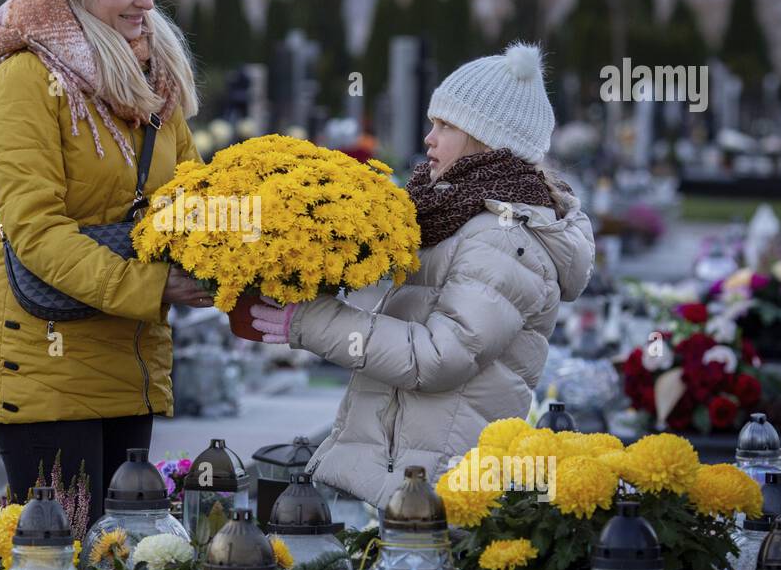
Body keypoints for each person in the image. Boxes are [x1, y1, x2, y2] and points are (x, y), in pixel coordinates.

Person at [250, 43, 596, 509]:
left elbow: (441, 355)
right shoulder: (454, 213)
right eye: (433, 122)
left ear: (486, 138)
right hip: (415, 474)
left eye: (446, 126)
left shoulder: (502, 236)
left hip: (443, 486)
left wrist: (313, 322)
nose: (429, 137)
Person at [0, 0, 212, 526]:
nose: (147, 0)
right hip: (48, 372)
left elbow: (192, 196)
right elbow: (38, 236)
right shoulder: (23, 82)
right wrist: (156, 287)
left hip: (129, 361)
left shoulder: (152, 77)